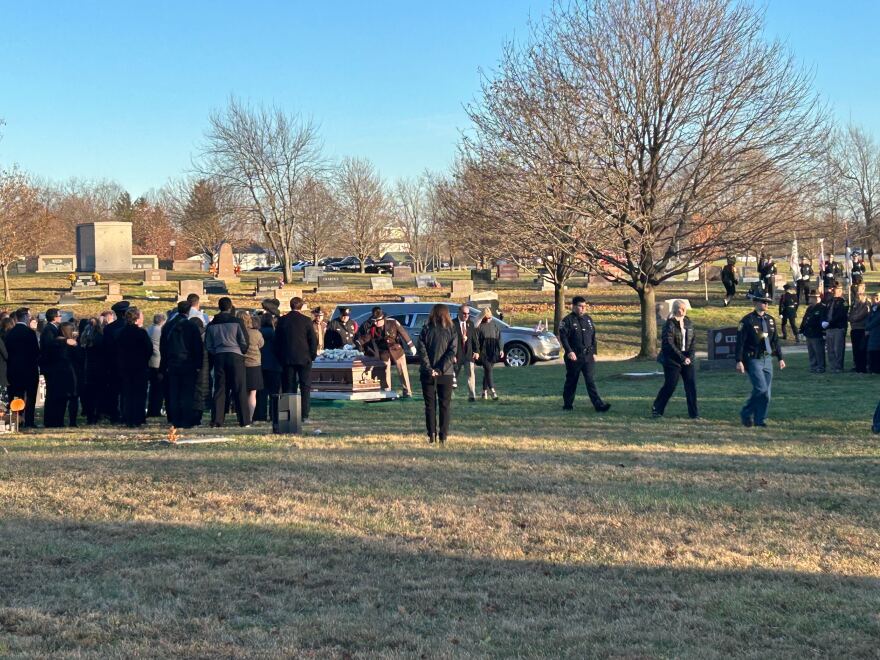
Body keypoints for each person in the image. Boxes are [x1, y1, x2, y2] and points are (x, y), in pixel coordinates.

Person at [735, 290, 785, 427]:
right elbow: (740, 342)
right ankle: (746, 412)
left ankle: (759, 420)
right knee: (761, 389)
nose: (766, 304)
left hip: (767, 358)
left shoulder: (770, 320)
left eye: (768, 302)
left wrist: (780, 357)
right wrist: (739, 360)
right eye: (763, 302)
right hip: (753, 359)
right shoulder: (747, 321)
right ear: (755, 302)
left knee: (766, 394)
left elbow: (775, 340)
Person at [558, 296, 611, 413]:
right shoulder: (567, 321)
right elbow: (563, 338)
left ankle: (599, 405)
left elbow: (593, 336)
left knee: (590, 381)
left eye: (584, 306)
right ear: (573, 306)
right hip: (574, 356)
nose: (582, 309)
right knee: (572, 381)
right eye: (580, 306)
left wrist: (594, 352)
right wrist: (569, 351)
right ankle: (567, 404)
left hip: (587, 356)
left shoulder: (588, 319)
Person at [205, 297, 250, 427]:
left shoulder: (212, 324)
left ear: (219, 307)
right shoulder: (237, 322)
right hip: (235, 356)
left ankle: (217, 420)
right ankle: (244, 420)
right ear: (230, 307)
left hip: (219, 356)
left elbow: (208, 344)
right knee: (239, 388)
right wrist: (242, 351)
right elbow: (244, 341)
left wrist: (216, 351)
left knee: (220, 389)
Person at [416, 304, 457, 444]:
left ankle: (431, 434)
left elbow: (421, 351)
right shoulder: (451, 330)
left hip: (428, 373)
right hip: (446, 373)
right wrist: (440, 369)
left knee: (430, 405)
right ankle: (443, 435)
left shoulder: (426, 329)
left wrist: (430, 369)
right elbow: (452, 352)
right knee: (445, 405)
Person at [160, 301, 205, 428]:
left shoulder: (168, 326)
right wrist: (198, 365)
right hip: (188, 363)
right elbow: (197, 347)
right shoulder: (191, 326)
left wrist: (163, 366)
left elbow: (162, 347)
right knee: (187, 392)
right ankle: (186, 419)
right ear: (189, 311)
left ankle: (175, 419)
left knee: (174, 392)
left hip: (172, 363)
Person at [651, 300, 698, 419]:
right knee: (670, 385)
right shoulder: (669, 324)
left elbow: (692, 341)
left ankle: (694, 414)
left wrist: (689, 357)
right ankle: (657, 409)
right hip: (672, 360)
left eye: (685, 308)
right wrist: (682, 358)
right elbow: (668, 344)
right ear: (677, 309)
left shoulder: (688, 322)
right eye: (682, 308)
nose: (684, 311)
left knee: (691, 386)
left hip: (687, 358)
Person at [356, 307, 417, 398]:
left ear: (383, 318)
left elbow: (403, 333)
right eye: (374, 321)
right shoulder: (372, 327)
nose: (376, 323)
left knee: (402, 370)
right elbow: (367, 337)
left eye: (378, 321)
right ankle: (387, 391)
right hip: (383, 351)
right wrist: (358, 342)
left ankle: (407, 391)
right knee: (385, 370)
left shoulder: (392, 322)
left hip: (396, 349)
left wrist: (411, 345)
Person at [275, 297, 318, 423]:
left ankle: (291, 415)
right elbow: (313, 340)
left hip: (287, 358)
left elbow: (278, 341)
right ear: (301, 306)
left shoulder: (282, 320)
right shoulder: (306, 320)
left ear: (290, 305)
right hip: (304, 358)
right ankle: (304, 415)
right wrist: (312, 356)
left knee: (289, 386)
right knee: (305, 387)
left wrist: (280, 356)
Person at [116, 307, 153, 428]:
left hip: (125, 367)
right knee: (139, 393)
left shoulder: (121, 332)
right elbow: (148, 349)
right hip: (139, 367)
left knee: (127, 393)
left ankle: (128, 417)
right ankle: (138, 417)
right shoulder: (141, 332)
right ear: (136, 318)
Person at [4, 308, 40, 428]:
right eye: (29, 316)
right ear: (25, 317)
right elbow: (36, 352)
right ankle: (29, 421)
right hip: (29, 369)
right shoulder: (30, 333)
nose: (30, 318)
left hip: (14, 370)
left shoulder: (10, 333)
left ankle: (16, 420)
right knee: (30, 397)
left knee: (16, 396)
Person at [42, 322, 79, 428]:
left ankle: (57, 421)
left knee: (58, 399)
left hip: (55, 373)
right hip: (70, 372)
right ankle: (72, 422)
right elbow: (79, 357)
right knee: (73, 397)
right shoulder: (71, 343)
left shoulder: (53, 343)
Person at [101, 300, 130, 422]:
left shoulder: (109, 328)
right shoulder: (128, 327)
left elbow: (106, 347)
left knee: (114, 390)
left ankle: (114, 414)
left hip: (112, 363)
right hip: (127, 363)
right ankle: (125, 413)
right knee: (126, 391)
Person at [254, 312, 282, 422]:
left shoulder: (258, 334)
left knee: (261, 393)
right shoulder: (276, 334)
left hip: (260, 365)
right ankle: (274, 415)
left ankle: (261, 415)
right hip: (275, 366)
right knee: (274, 393)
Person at [238, 310, 264, 422]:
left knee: (241, 392)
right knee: (253, 393)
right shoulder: (256, 333)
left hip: (241, 364)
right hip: (254, 364)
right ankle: (250, 417)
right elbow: (261, 344)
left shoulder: (238, 331)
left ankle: (242, 416)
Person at [78, 317, 105, 424]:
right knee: (97, 393)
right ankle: (96, 414)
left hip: (87, 368)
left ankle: (90, 416)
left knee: (89, 394)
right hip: (98, 368)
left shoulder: (84, 337)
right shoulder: (100, 337)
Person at [475, 307, 503, 400]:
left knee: (488, 371)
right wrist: (477, 352)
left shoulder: (494, 324)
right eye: (486, 318)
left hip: (493, 350)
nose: (488, 320)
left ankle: (484, 392)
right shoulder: (479, 326)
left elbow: (498, 337)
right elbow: (476, 341)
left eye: (490, 317)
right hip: (483, 352)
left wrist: (501, 349)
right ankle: (492, 390)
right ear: (482, 317)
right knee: (488, 369)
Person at [454, 304, 479, 401]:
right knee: (453, 376)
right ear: (459, 312)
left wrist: (476, 351)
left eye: (468, 314)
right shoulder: (452, 324)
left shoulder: (470, 324)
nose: (466, 316)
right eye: (464, 313)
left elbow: (474, 339)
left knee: (470, 374)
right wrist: (452, 355)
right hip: (457, 355)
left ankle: (472, 395)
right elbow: (450, 341)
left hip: (468, 354)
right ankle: (448, 394)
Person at [799, 291, 827, 374]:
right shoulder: (810, 308)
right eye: (811, 297)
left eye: (813, 297)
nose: (811, 299)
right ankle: (813, 366)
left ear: (818, 298)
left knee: (818, 351)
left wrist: (823, 332)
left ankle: (820, 367)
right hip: (809, 332)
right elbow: (805, 319)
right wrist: (801, 329)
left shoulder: (822, 307)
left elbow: (822, 320)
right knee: (811, 351)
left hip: (817, 332)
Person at [823, 283, 848, 373]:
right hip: (829, 328)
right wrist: (824, 321)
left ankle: (838, 367)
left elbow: (840, 315)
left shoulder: (843, 302)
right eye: (833, 289)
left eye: (835, 289)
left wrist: (829, 322)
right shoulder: (830, 301)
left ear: (840, 291)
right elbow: (826, 312)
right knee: (830, 348)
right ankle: (832, 366)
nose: (833, 291)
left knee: (838, 349)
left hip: (838, 328)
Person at [146, 313, 165, 418]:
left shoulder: (149, 329)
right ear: (162, 321)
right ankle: (155, 410)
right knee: (158, 389)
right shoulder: (160, 330)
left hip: (150, 361)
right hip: (158, 361)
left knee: (153, 388)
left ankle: (151, 409)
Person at [848, 287, 870, 373]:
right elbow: (850, 315)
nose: (858, 297)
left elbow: (861, 315)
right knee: (855, 349)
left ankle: (862, 367)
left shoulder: (866, 304)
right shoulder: (855, 305)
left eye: (860, 295)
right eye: (857, 295)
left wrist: (853, 318)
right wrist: (852, 318)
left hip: (861, 329)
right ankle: (857, 366)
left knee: (862, 349)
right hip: (854, 329)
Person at [867, 293, 880, 374]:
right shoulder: (873, 308)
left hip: (877, 332)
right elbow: (869, 318)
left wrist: (868, 326)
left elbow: (876, 320)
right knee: (873, 350)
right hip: (873, 332)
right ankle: (873, 368)